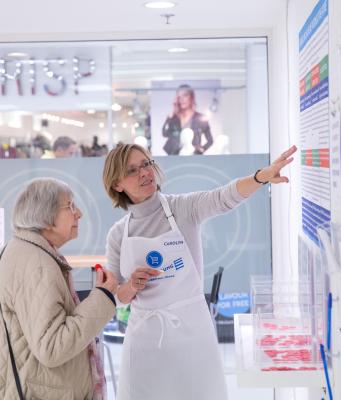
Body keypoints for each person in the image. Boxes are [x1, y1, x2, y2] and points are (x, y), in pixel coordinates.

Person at [102, 143, 297, 400]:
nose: (145, 173)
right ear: (117, 184)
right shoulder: (118, 234)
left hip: (192, 334)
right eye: (132, 170)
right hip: (144, 340)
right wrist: (130, 287)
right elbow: (115, 296)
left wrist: (261, 177)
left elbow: (223, 197)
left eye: (147, 164)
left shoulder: (183, 209)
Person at [0, 178, 118, 400]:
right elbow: (53, 347)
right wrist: (103, 297)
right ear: (46, 218)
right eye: (71, 206)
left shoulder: (27, 252)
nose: (79, 214)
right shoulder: (36, 265)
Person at [162, 84, 214, 155]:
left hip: (193, 155)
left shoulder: (199, 118)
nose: (182, 99)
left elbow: (210, 140)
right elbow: (165, 133)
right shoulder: (174, 118)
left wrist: (201, 150)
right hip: (175, 155)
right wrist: (171, 115)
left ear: (191, 97)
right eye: (179, 97)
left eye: (185, 95)